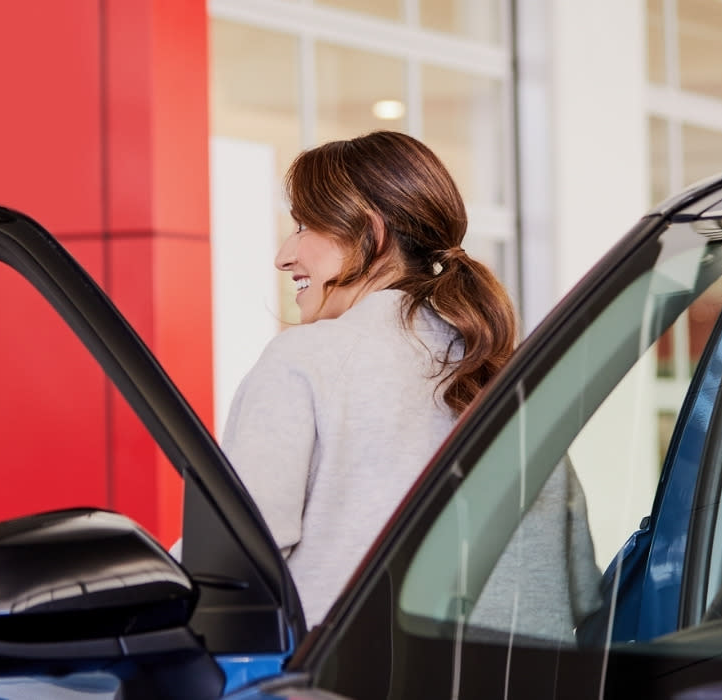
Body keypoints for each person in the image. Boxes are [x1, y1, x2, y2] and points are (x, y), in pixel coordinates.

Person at [221, 131, 597, 633]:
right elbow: (577, 588)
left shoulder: (307, 360)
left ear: (370, 234)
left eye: (304, 226)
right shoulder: (504, 376)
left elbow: (230, 563)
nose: (284, 256)